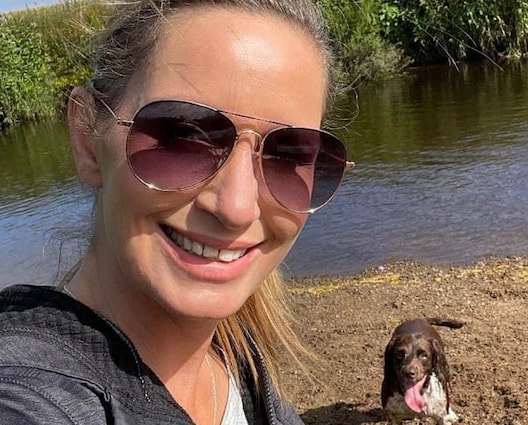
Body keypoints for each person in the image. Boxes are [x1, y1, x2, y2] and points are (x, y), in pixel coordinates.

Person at [0, 0, 353, 423]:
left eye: (289, 153)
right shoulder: (31, 400)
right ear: (87, 139)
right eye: (183, 137)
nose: (237, 208)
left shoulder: (239, 366)